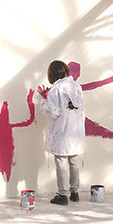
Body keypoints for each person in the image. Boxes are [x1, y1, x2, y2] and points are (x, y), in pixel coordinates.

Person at [35, 60, 86, 205]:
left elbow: (54, 112)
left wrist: (44, 102)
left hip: (62, 132)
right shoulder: (76, 86)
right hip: (75, 131)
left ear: (52, 74)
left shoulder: (55, 90)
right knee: (74, 162)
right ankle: (74, 192)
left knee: (61, 163)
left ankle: (62, 195)